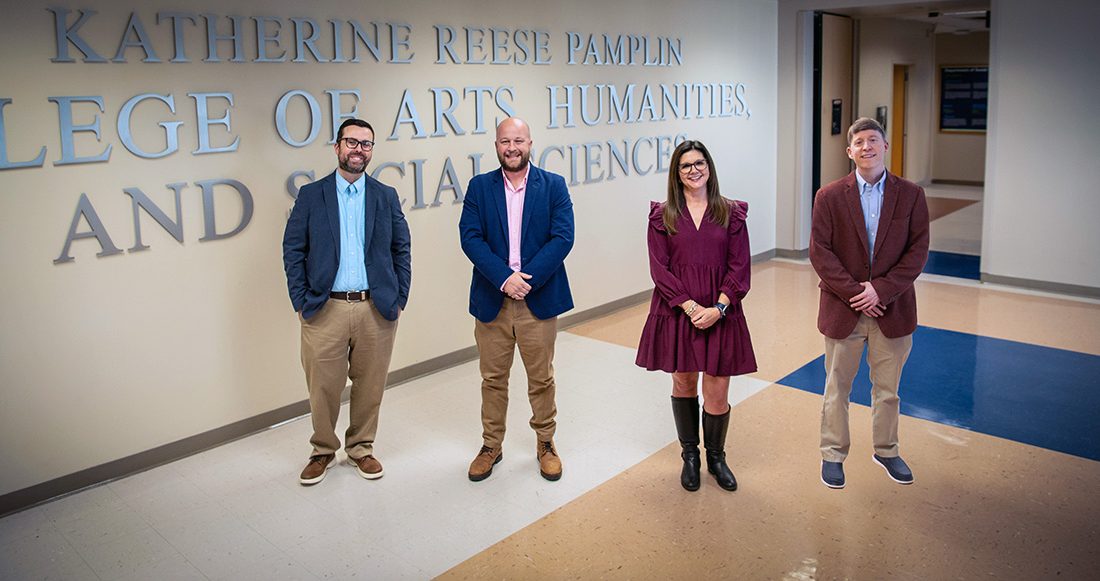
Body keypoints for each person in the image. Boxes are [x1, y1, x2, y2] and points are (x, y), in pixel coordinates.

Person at [282, 118, 412, 486]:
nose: (359, 150)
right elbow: (293, 249)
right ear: (337, 148)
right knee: (323, 386)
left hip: (376, 309)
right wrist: (301, 300)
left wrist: (399, 295)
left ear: (372, 151)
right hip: (326, 309)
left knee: (371, 384)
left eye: (366, 144)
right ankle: (322, 450)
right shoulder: (312, 195)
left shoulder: (384, 196)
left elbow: (401, 247)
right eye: (352, 142)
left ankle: (361, 448)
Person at [809, 117, 929, 489]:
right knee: (837, 388)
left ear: (885, 146)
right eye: (859, 142)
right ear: (850, 152)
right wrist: (857, 293)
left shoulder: (910, 195)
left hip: (892, 309)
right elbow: (821, 252)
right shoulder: (828, 196)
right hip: (843, 310)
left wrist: (881, 290)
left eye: (873, 140)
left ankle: (887, 450)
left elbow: (917, 252)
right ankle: (832, 454)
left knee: (888, 390)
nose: (866, 147)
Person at [636, 140, 757, 492]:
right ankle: (690, 456)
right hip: (678, 312)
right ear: (676, 173)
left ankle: (716, 457)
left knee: (717, 390)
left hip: (721, 311)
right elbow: (660, 269)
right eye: (685, 165)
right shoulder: (662, 215)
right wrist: (690, 307)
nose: (694, 170)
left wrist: (718, 308)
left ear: (709, 166)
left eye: (699, 163)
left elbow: (740, 266)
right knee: (684, 382)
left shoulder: (731, 212)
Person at [458, 117, 575, 482]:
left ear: (530, 143)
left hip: (536, 301)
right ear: (495, 145)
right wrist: (504, 278)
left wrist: (527, 280)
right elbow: (470, 237)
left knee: (541, 378)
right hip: (493, 299)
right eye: (505, 141)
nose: (512, 147)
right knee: (492, 379)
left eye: (519, 140)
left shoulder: (553, 186)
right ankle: (491, 445)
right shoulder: (479, 187)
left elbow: (563, 237)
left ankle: (545, 443)